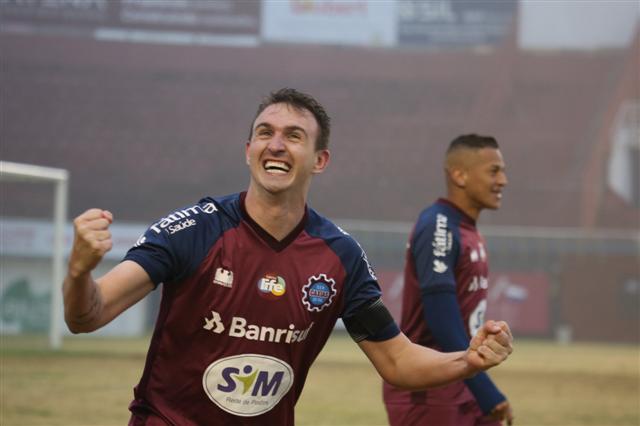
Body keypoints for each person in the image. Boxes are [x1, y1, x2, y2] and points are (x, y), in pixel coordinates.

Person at [63, 89, 513, 426]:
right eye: (265, 133)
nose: (276, 145)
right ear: (248, 151)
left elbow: (397, 362)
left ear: (320, 160)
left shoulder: (341, 257)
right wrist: (80, 271)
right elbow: (89, 314)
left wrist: (469, 360)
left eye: (293, 136)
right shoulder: (194, 228)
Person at [383, 134, 513, 426]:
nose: (503, 180)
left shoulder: (465, 228)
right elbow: (441, 319)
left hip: (462, 379)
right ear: (460, 175)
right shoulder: (438, 226)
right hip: (428, 389)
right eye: (494, 171)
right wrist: (487, 391)